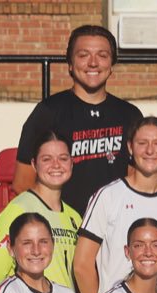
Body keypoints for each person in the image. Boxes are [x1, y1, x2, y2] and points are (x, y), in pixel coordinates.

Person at [14, 25, 143, 214]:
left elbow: (136, 181)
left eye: (102, 55)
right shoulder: (48, 112)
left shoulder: (130, 115)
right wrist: (55, 220)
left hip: (114, 223)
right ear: (70, 64)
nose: (93, 63)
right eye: (83, 55)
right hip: (63, 226)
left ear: (112, 65)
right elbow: (22, 183)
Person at [74, 116, 157, 293]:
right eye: (142, 143)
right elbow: (82, 265)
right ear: (130, 147)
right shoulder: (108, 196)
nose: (150, 150)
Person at [0, 131, 82, 293]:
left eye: (63, 158)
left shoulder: (75, 217)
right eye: (47, 159)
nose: (56, 165)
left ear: (71, 163)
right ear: (34, 164)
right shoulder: (19, 209)